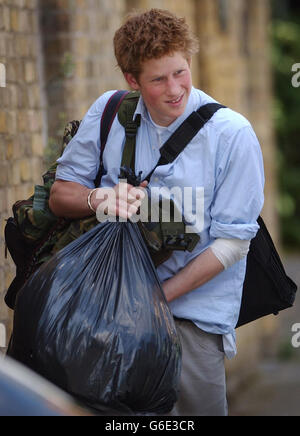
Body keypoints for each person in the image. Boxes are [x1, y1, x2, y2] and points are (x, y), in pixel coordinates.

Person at [49, 9, 265, 416]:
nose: (175, 90)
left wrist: (152, 300)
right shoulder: (111, 113)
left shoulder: (232, 135)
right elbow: (61, 195)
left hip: (192, 324)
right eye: (158, 79)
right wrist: (100, 199)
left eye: (181, 72)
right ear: (132, 80)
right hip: (105, 314)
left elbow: (235, 242)